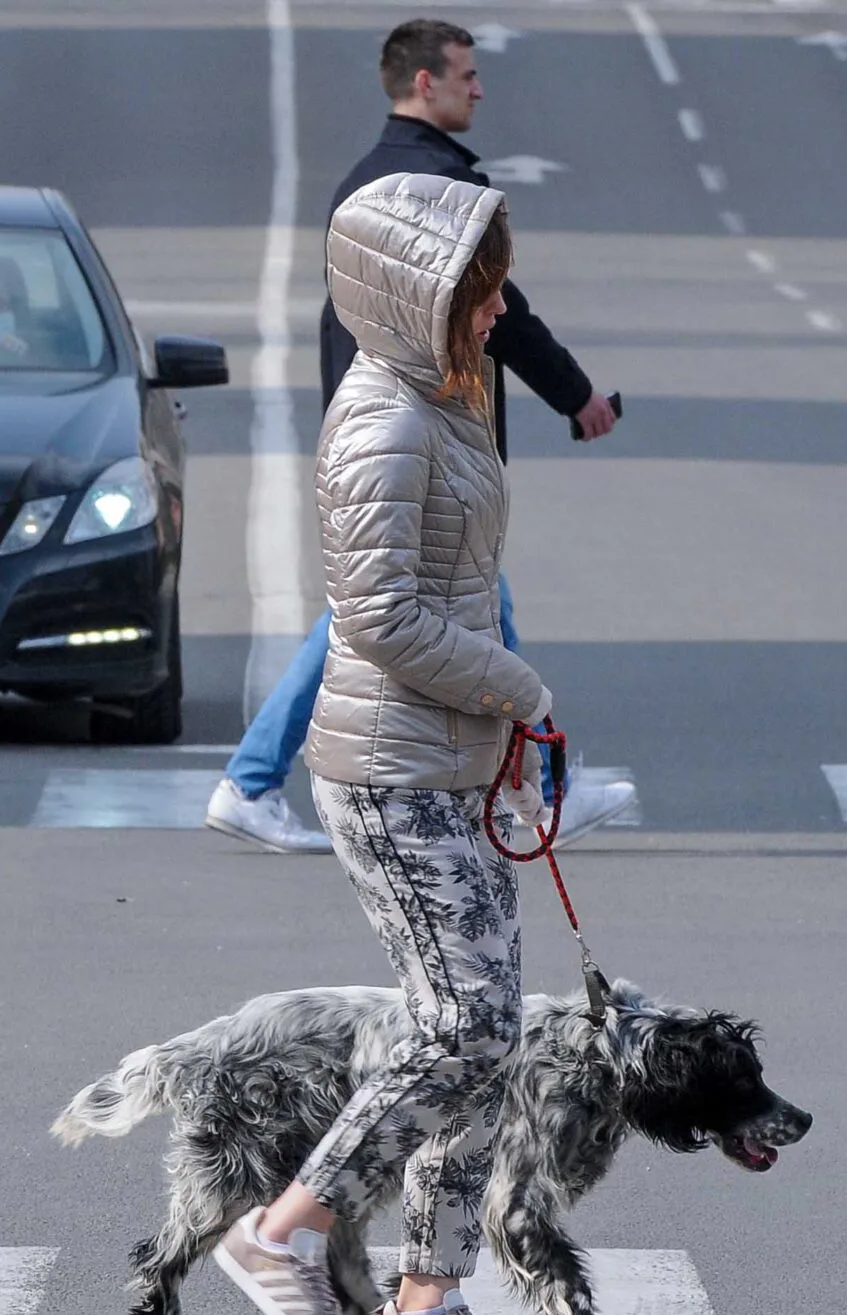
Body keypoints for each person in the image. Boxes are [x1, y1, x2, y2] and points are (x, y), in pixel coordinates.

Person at [211, 174, 563, 1315]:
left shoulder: (443, 396)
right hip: (389, 769)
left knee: (480, 1035)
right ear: (418, 296)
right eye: (479, 287)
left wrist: (498, 733)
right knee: (461, 1027)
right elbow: (378, 616)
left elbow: (448, 593)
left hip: (445, 756)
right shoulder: (387, 420)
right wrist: (516, 690)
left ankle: (423, 1306)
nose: (499, 304)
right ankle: (285, 1232)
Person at [206, 17, 633, 854]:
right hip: (416, 443)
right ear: (423, 82)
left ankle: (256, 779)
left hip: (394, 436)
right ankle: (542, 789)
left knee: (430, 610)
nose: (479, 87)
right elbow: (499, 314)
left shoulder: (374, 180)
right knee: (421, 612)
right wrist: (576, 394)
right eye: (467, 74)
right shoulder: (426, 190)